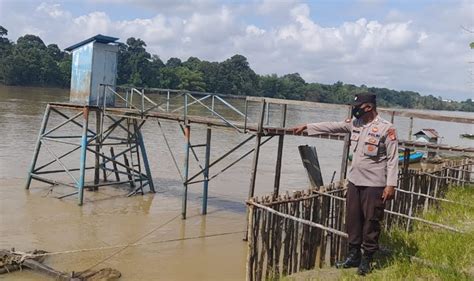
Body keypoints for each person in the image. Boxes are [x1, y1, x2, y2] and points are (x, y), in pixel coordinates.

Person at [292, 93, 398, 275]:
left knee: (371, 221)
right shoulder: (355, 124)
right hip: (355, 181)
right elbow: (332, 126)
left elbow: (392, 158)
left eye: (358, 106)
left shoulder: (386, 128)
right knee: (353, 220)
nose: (354, 109)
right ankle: (354, 255)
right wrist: (307, 127)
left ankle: (367, 259)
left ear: (369, 107)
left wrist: (391, 185)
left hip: (374, 184)